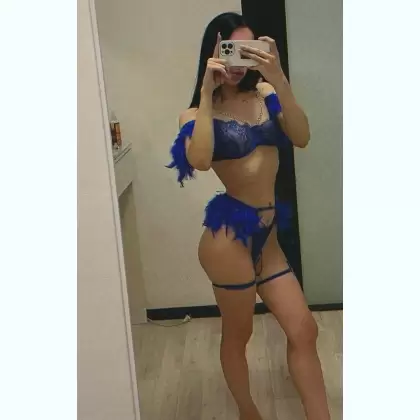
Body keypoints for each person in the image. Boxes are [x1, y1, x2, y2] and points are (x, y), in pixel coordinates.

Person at [167, 12, 330, 420]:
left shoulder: (265, 94)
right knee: (239, 334)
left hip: (268, 236)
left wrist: (279, 77)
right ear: (214, 50)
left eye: (248, 49)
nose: (239, 61)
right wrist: (207, 93)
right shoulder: (194, 115)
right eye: (231, 50)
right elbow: (200, 160)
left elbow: (302, 136)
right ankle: (248, 413)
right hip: (228, 240)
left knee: (304, 329)